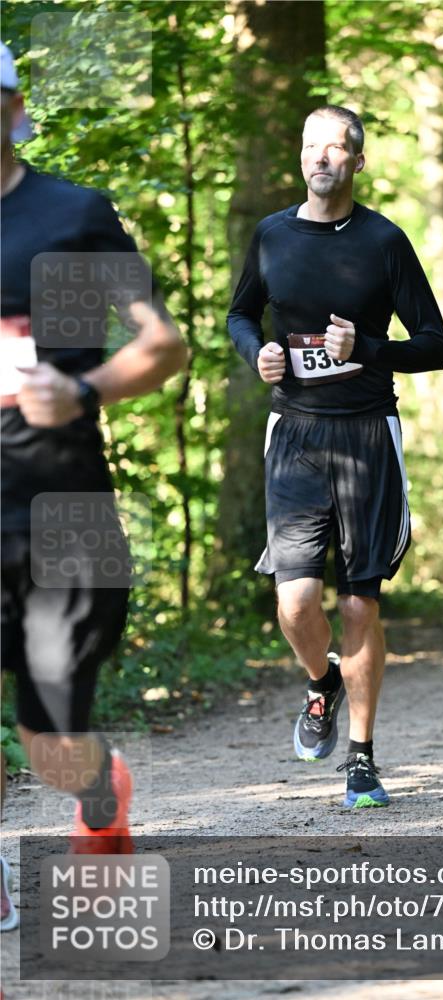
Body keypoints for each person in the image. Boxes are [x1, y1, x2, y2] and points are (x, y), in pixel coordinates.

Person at [0, 39, 188, 921]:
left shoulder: (70, 216)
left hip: (59, 503)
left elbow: (161, 344)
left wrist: (79, 390)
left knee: (50, 744)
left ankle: (99, 793)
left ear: (13, 106)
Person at [227, 105, 443, 808]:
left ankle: (361, 758)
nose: (321, 157)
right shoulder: (270, 236)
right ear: (301, 157)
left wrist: (370, 350)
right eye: (311, 145)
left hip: (366, 436)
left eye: (336, 147)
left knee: (359, 607)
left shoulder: (384, 241)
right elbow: (239, 314)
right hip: (294, 433)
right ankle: (321, 683)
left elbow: (435, 344)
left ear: (357, 161)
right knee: (295, 603)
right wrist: (254, 351)